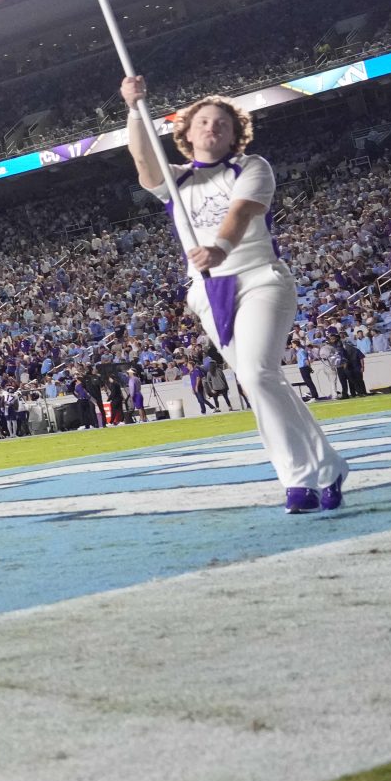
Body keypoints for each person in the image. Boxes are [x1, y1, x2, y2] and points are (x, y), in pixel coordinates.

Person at [121, 76, 347, 511]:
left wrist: (219, 248)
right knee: (258, 380)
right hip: (208, 292)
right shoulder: (178, 180)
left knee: (259, 374)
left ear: (234, 133)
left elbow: (242, 211)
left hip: (260, 277)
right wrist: (134, 109)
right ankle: (327, 466)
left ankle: (298, 481)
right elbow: (143, 162)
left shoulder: (251, 167)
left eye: (222, 123)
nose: (212, 128)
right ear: (186, 133)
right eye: (203, 121)